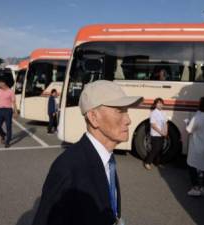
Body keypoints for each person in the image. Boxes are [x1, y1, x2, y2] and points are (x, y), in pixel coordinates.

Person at [32, 80, 142, 225]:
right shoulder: (67, 168)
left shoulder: (107, 158)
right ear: (93, 118)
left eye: (126, 111)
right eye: (120, 111)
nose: (128, 120)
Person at [144, 98, 168, 170]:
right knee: (155, 149)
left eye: (161, 103)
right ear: (155, 104)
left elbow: (166, 123)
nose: (160, 104)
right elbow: (153, 125)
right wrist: (161, 132)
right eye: (158, 103)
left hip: (162, 134)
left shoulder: (164, 113)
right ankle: (147, 162)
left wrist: (166, 132)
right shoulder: (153, 113)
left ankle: (157, 163)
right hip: (155, 134)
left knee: (160, 149)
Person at [0, 79, 17, 148]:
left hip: (8, 110)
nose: (0, 84)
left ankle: (7, 142)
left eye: (1, 83)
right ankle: (3, 134)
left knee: (8, 126)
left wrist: (15, 112)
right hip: (0, 110)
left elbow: (14, 102)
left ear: (5, 83)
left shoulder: (10, 91)